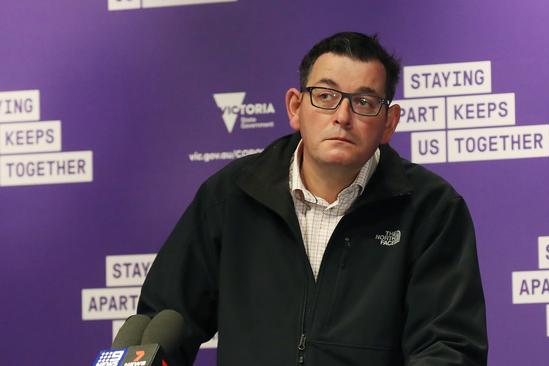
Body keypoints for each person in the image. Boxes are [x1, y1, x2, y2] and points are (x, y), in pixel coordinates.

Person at [137, 31, 488, 365]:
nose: (342, 117)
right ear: (295, 107)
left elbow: (447, 347)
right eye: (325, 96)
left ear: (389, 123)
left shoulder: (431, 209)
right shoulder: (231, 195)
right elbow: (163, 323)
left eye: (364, 102)